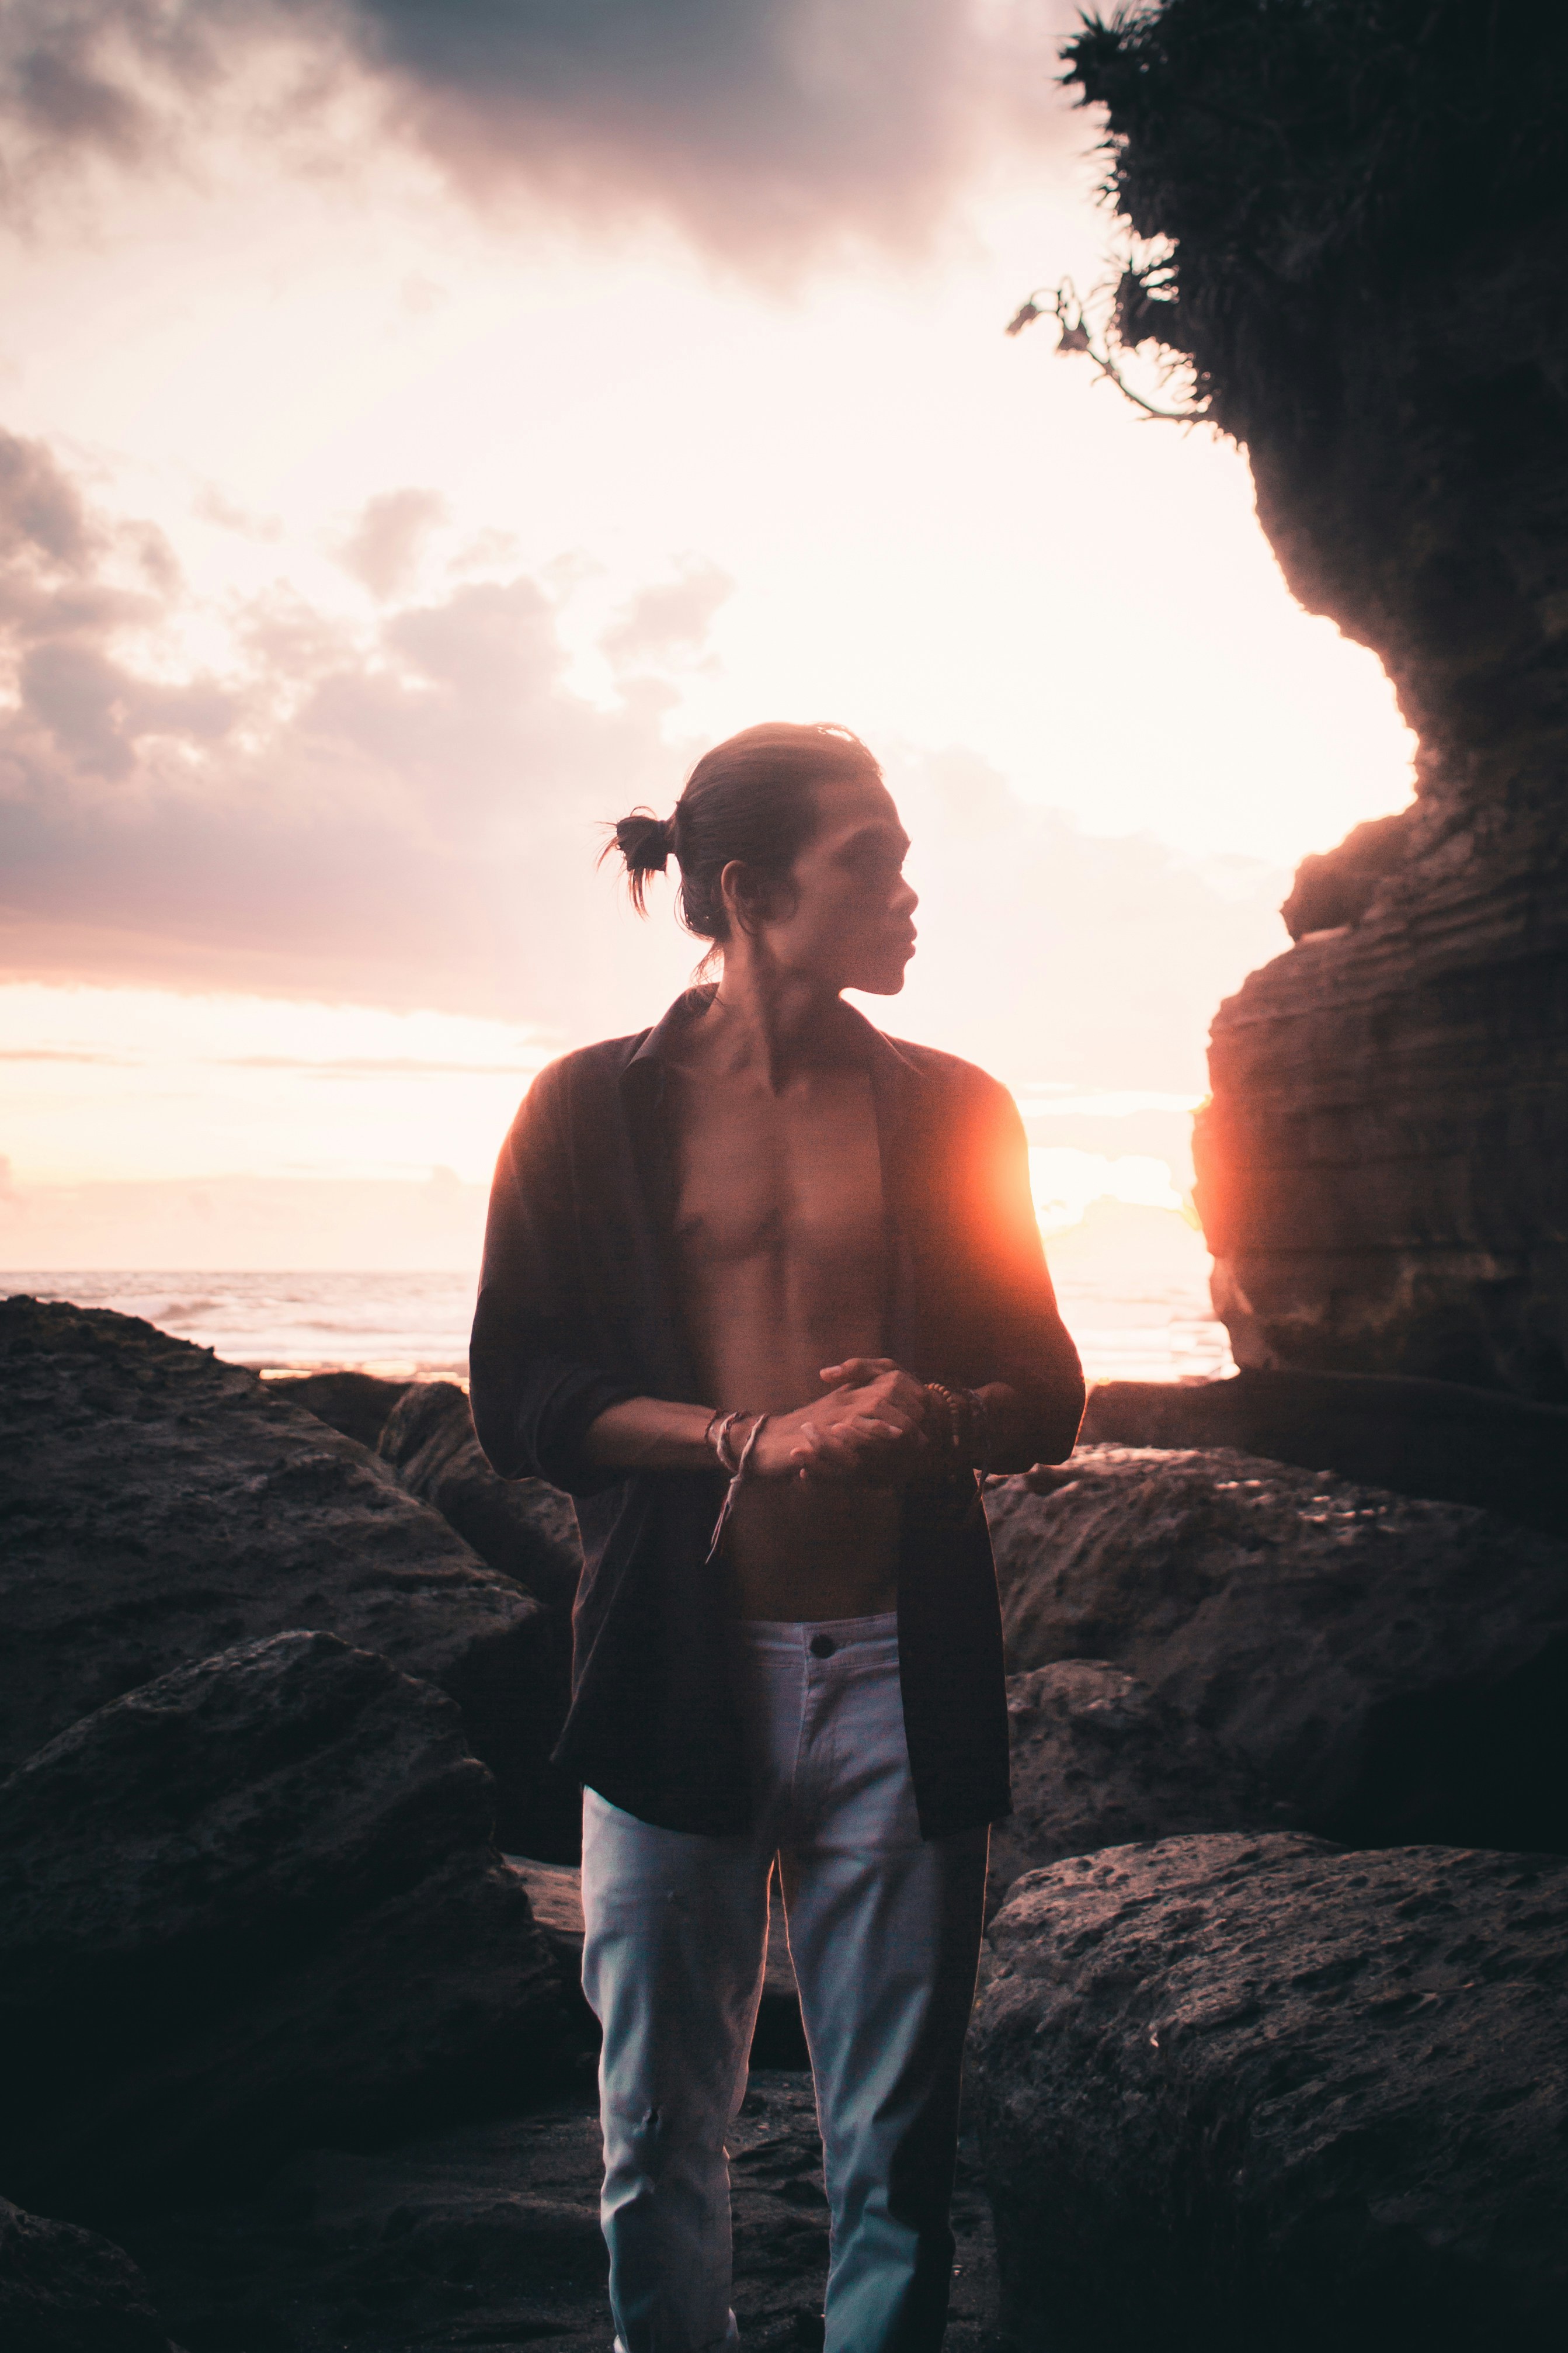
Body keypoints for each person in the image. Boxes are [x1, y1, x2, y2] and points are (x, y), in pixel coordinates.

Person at [470, 721, 1084, 2353]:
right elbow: (518, 1395)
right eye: (868, 857)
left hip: (900, 1668)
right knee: (656, 2129)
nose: (908, 890)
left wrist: (937, 1411)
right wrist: (754, 1437)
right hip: (680, 1668)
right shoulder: (583, 1112)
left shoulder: (960, 1110)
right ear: (748, 889)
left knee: (896, 2143)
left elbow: (1048, 1385)